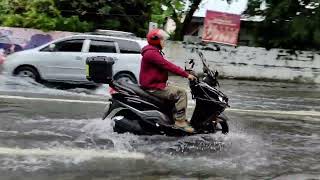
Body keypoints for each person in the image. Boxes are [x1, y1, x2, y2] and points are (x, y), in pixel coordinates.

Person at [139, 29, 196, 133]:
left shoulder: (153, 51)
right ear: (156, 40)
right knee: (181, 93)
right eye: (163, 40)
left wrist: (184, 72)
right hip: (152, 86)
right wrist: (186, 75)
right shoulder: (151, 53)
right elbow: (167, 65)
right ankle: (179, 122)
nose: (164, 42)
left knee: (174, 88)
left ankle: (174, 117)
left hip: (155, 84)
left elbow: (165, 68)